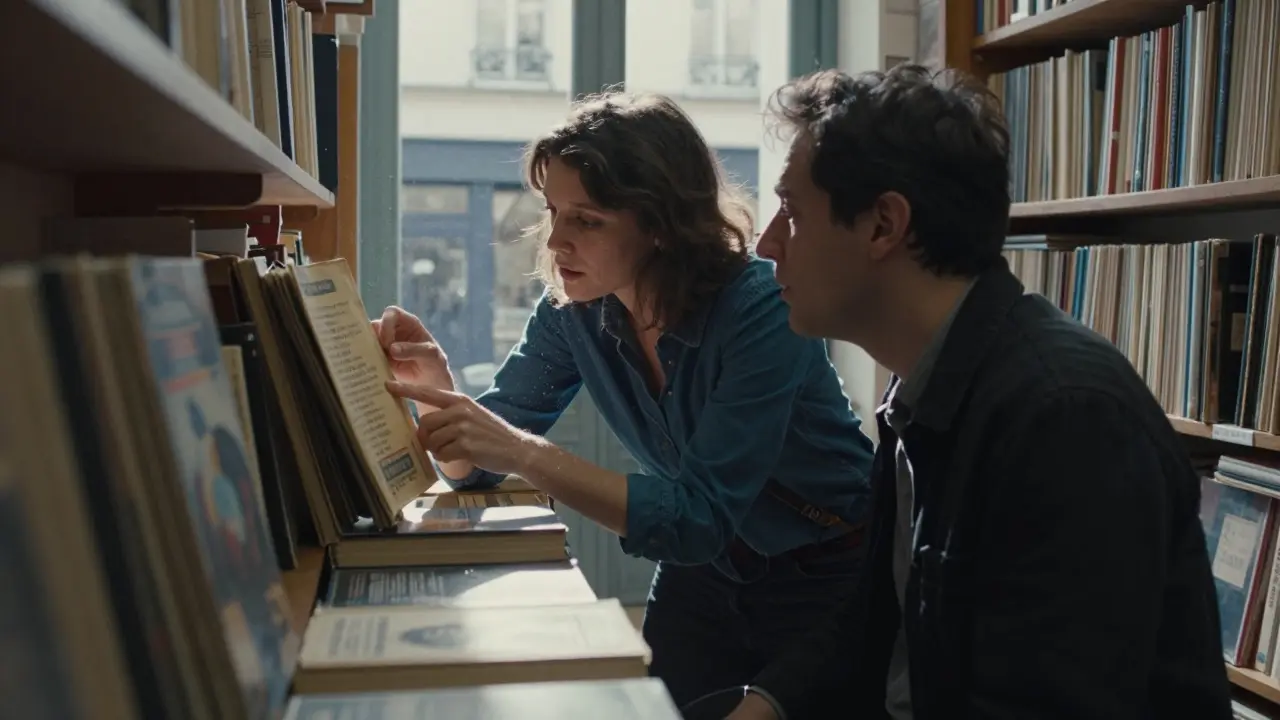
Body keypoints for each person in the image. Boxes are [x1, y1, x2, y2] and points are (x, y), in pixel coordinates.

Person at [728, 65, 1233, 720]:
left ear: (884, 225)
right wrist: (761, 707)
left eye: (791, 212)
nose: (766, 244)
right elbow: (874, 626)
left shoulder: (1065, 419)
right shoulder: (921, 387)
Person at [373, 90, 877, 711]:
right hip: (707, 575)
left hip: (827, 572)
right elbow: (474, 466)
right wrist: (439, 391)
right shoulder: (573, 311)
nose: (556, 242)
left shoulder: (759, 305)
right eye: (552, 211)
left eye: (586, 220)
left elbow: (696, 518)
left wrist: (522, 451)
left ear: (661, 224)